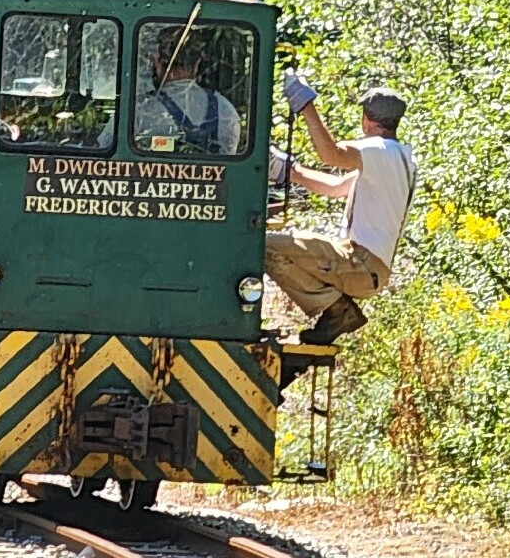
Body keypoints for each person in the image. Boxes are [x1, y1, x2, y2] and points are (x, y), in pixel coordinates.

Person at [265, 74, 417, 345]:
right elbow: (335, 187)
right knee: (280, 246)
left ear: (366, 120)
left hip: (359, 262)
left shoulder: (378, 149)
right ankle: (336, 311)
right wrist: (288, 170)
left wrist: (306, 105)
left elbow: (330, 155)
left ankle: (337, 310)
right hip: (370, 269)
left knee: (263, 246)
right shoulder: (401, 159)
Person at [100, 26, 241, 153]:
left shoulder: (139, 110)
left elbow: (105, 148)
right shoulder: (225, 110)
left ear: (157, 62)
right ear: (197, 63)